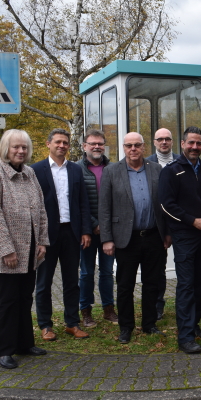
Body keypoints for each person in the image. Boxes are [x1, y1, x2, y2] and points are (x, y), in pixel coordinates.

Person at [0, 129, 48, 369]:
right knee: (7, 300)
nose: (20, 151)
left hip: (30, 249)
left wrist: (42, 242)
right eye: (16, 147)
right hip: (5, 252)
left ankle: (24, 344)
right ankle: (5, 350)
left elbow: (40, 210)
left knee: (24, 298)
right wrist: (6, 249)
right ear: (5, 149)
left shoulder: (30, 174)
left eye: (24, 147)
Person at [99, 132, 172, 344]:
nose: (133, 149)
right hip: (125, 239)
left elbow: (165, 205)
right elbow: (104, 207)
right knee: (125, 285)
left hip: (153, 237)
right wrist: (107, 239)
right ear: (123, 148)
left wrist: (167, 233)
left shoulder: (156, 169)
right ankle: (126, 326)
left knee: (152, 283)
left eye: (137, 145)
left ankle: (149, 323)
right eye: (129, 145)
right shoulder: (112, 171)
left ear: (144, 146)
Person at [159, 126, 201, 354]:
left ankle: (194, 326)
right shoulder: (171, 171)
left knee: (199, 284)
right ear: (182, 144)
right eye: (191, 143)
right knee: (186, 286)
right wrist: (192, 221)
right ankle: (185, 337)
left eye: (198, 143)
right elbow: (166, 205)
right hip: (184, 237)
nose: (195, 147)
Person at [31, 128, 92, 341]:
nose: (62, 146)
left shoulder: (75, 170)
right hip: (46, 235)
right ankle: (45, 325)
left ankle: (72, 323)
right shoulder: (35, 170)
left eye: (65, 142)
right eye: (57, 142)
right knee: (44, 282)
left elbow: (83, 202)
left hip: (71, 233)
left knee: (71, 281)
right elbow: (33, 205)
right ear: (48, 144)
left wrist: (85, 230)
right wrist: (37, 236)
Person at [77, 129, 117, 327]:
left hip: (108, 232)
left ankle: (109, 309)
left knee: (107, 273)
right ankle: (85, 311)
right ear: (84, 146)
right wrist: (94, 225)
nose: (96, 147)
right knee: (86, 273)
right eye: (92, 143)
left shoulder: (113, 168)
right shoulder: (76, 169)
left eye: (100, 143)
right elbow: (76, 202)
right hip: (87, 232)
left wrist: (106, 226)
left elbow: (118, 200)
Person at [145, 127, 180, 320]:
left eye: (167, 139)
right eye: (160, 139)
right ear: (155, 142)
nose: (164, 142)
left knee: (185, 265)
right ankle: (158, 306)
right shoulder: (147, 163)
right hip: (157, 223)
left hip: (180, 220)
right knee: (158, 269)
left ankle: (191, 304)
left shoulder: (181, 162)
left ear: (172, 141)